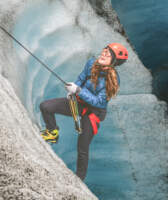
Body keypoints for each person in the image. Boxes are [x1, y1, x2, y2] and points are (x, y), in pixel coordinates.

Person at [39, 43, 128, 180]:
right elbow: (81, 78)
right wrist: (73, 90)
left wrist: (78, 91)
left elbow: (99, 102)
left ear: (114, 62)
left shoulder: (112, 81)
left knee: (83, 147)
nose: (103, 54)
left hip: (94, 113)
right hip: (80, 103)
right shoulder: (91, 63)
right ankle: (52, 132)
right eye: (104, 51)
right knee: (46, 107)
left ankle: (79, 179)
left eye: (108, 54)